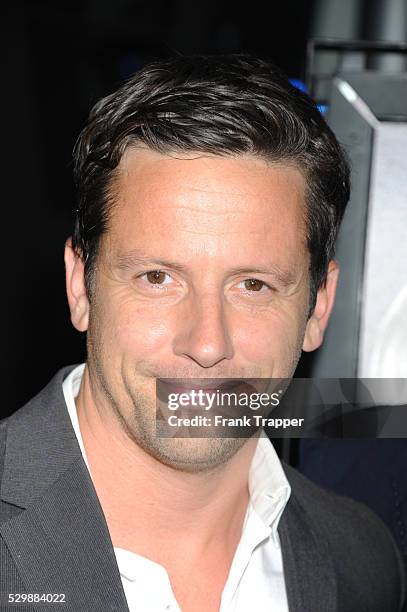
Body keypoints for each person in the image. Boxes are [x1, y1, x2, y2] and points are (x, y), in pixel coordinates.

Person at [0, 54, 404, 612]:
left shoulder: (360, 559)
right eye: (158, 277)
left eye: (254, 286)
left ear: (318, 307)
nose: (208, 344)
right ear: (80, 287)